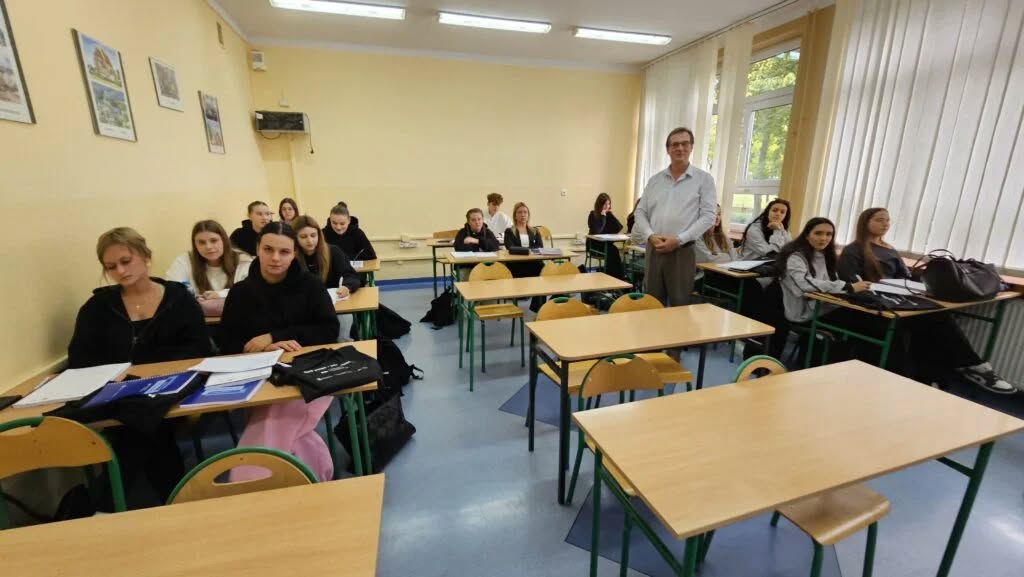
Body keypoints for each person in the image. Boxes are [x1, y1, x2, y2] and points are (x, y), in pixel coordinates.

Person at [67, 227, 212, 506]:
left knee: (140, 424)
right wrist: (118, 374)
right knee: (145, 424)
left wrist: (148, 370)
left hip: (172, 388)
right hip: (119, 395)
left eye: (126, 261)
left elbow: (198, 348)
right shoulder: (97, 308)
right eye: (111, 267)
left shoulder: (178, 299)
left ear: (146, 257)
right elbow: (80, 358)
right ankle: (177, 501)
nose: (121, 271)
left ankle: (106, 505)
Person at [837, 207, 1018, 394]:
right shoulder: (854, 250)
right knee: (929, 323)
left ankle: (942, 375)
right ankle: (962, 369)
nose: (885, 224)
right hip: (873, 307)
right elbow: (851, 283)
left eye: (888, 220)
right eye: (879, 220)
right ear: (865, 222)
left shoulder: (889, 249)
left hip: (899, 300)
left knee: (935, 319)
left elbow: (905, 277)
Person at [219, 222, 341, 481]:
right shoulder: (240, 293)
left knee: (274, 419)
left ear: (294, 253)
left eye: (284, 252)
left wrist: (274, 336)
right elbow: (227, 342)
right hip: (257, 375)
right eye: (268, 249)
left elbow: (329, 330)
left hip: (306, 374)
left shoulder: (310, 286)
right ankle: (312, 480)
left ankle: (252, 482)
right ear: (257, 249)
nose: (275, 258)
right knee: (281, 425)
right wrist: (262, 347)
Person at [631, 127, 717, 306]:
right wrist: (650, 236)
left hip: (682, 250)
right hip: (654, 248)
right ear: (668, 149)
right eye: (675, 144)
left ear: (691, 147)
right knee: (652, 303)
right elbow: (640, 212)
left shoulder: (704, 179)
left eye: (685, 144)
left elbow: (708, 216)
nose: (680, 148)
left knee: (680, 304)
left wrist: (679, 240)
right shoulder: (655, 180)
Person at [165, 220, 253, 316]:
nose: (208, 247)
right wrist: (193, 298)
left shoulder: (243, 260)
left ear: (224, 240)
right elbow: (171, 291)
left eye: (214, 241)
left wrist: (219, 295)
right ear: (195, 245)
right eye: (201, 242)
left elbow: (249, 292)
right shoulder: (184, 261)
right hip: (197, 320)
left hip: (236, 318)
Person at [293, 215, 360, 294]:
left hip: (334, 299)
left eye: (313, 235)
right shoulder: (291, 257)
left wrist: (346, 287)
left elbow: (351, 275)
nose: (310, 241)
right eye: (303, 237)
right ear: (295, 238)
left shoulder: (333, 251)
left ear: (319, 235)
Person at [587, 192, 625, 279]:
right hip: (594, 245)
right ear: (599, 204)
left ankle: (617, 278)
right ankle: (610, 277)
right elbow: (597, 230)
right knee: (611, 252)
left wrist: (611, 215)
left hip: (605, 244)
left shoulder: (608, 215)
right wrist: (603, 217)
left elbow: (619, 227)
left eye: (608, 204)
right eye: (605, 204)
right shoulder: (592, 215)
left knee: (614, 251)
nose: (607, 206)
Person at [695, 204, 738, 277]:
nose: (717, 217)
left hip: (726, 274)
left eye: (719, 214)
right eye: (714, 214)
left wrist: (717, 256)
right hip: (704, 276)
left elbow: (735, 259)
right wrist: (727, 256)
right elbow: (707, 258)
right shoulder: (697, 236)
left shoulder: (724, 238)